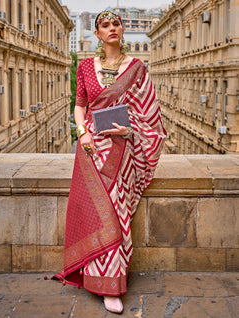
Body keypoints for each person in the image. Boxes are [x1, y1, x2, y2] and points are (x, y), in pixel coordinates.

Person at [53, 9, 166, 314]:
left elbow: (149, 114)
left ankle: (113, 283)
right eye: (105, 25)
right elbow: (79, 106)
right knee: (95, 215)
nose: (112, 27)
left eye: (116, 23)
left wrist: (131, 130)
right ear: (97, 34)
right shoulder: (86, 67)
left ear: (122, 31)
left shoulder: (137, 68)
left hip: (123, 151)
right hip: (91, 150)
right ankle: (96, 279)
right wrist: (83, 133)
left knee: (117, 213)